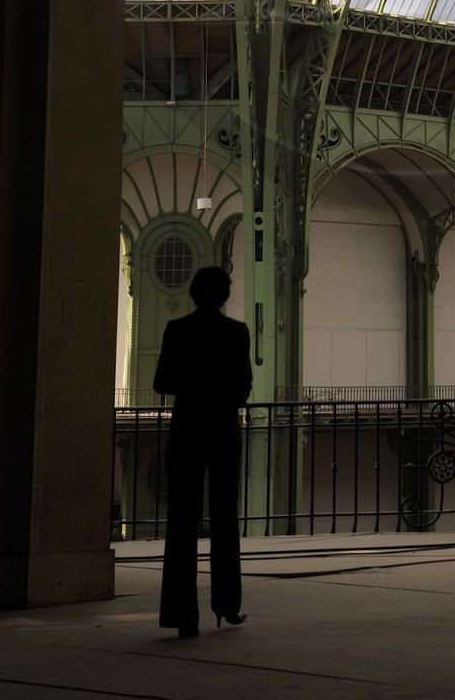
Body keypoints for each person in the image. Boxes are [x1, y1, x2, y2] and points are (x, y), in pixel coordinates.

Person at [153, 264, 252, 638]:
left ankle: (183, 616)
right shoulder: (236, 332)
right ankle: (227, 605)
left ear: (193, 294)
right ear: (225, 296)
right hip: (223, 427)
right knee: (225, 517)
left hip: (187, 427)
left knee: (182, 521)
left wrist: (191, 384)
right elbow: (243, 386)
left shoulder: (177, 330)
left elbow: (161, 381)